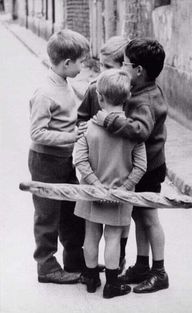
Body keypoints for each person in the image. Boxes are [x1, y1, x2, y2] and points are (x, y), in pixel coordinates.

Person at [93, 38, 169, 294]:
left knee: (149, 219)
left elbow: (141, 130)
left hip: (148, 169)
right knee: (139, 217)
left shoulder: (144, 100)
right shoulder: (144, 89)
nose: (121, 68)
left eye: (124, 64)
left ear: (138, 70)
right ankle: (142, 265)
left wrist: (111, 121)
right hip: (147, 166)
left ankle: (159, 272)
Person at [74, 69, 147, 298]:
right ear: (126, 98)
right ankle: (113, 285)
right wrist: (123, 189)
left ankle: (91, 277)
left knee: (91, 234)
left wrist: (96, 185)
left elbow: (80, 160)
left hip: (91, 192)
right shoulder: (131, 131)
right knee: (113, 237)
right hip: (119, 195)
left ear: (100, 98)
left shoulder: (89, 129)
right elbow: (141, 166)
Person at [28, 29, 90, 284]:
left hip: (64, 160)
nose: (83, 67)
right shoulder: (44, 93)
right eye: (81, 62)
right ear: (67, 64)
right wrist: (72, 136)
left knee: (71, 211)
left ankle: (74, 260)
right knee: (47, 215)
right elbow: (37, 133)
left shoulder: (65, 83)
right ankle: (46, 266)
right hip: (45, 162)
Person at [77, 36, 129, 274]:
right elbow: (81, 118)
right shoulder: (93, 89)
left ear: (123, 66)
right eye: (101, 66)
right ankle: (109, 275)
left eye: (108, 67)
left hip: (107, 175)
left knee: (113, 232)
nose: (102, 73)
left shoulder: (129, 93)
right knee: (108, 232)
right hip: (104, 176)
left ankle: (115, 264)